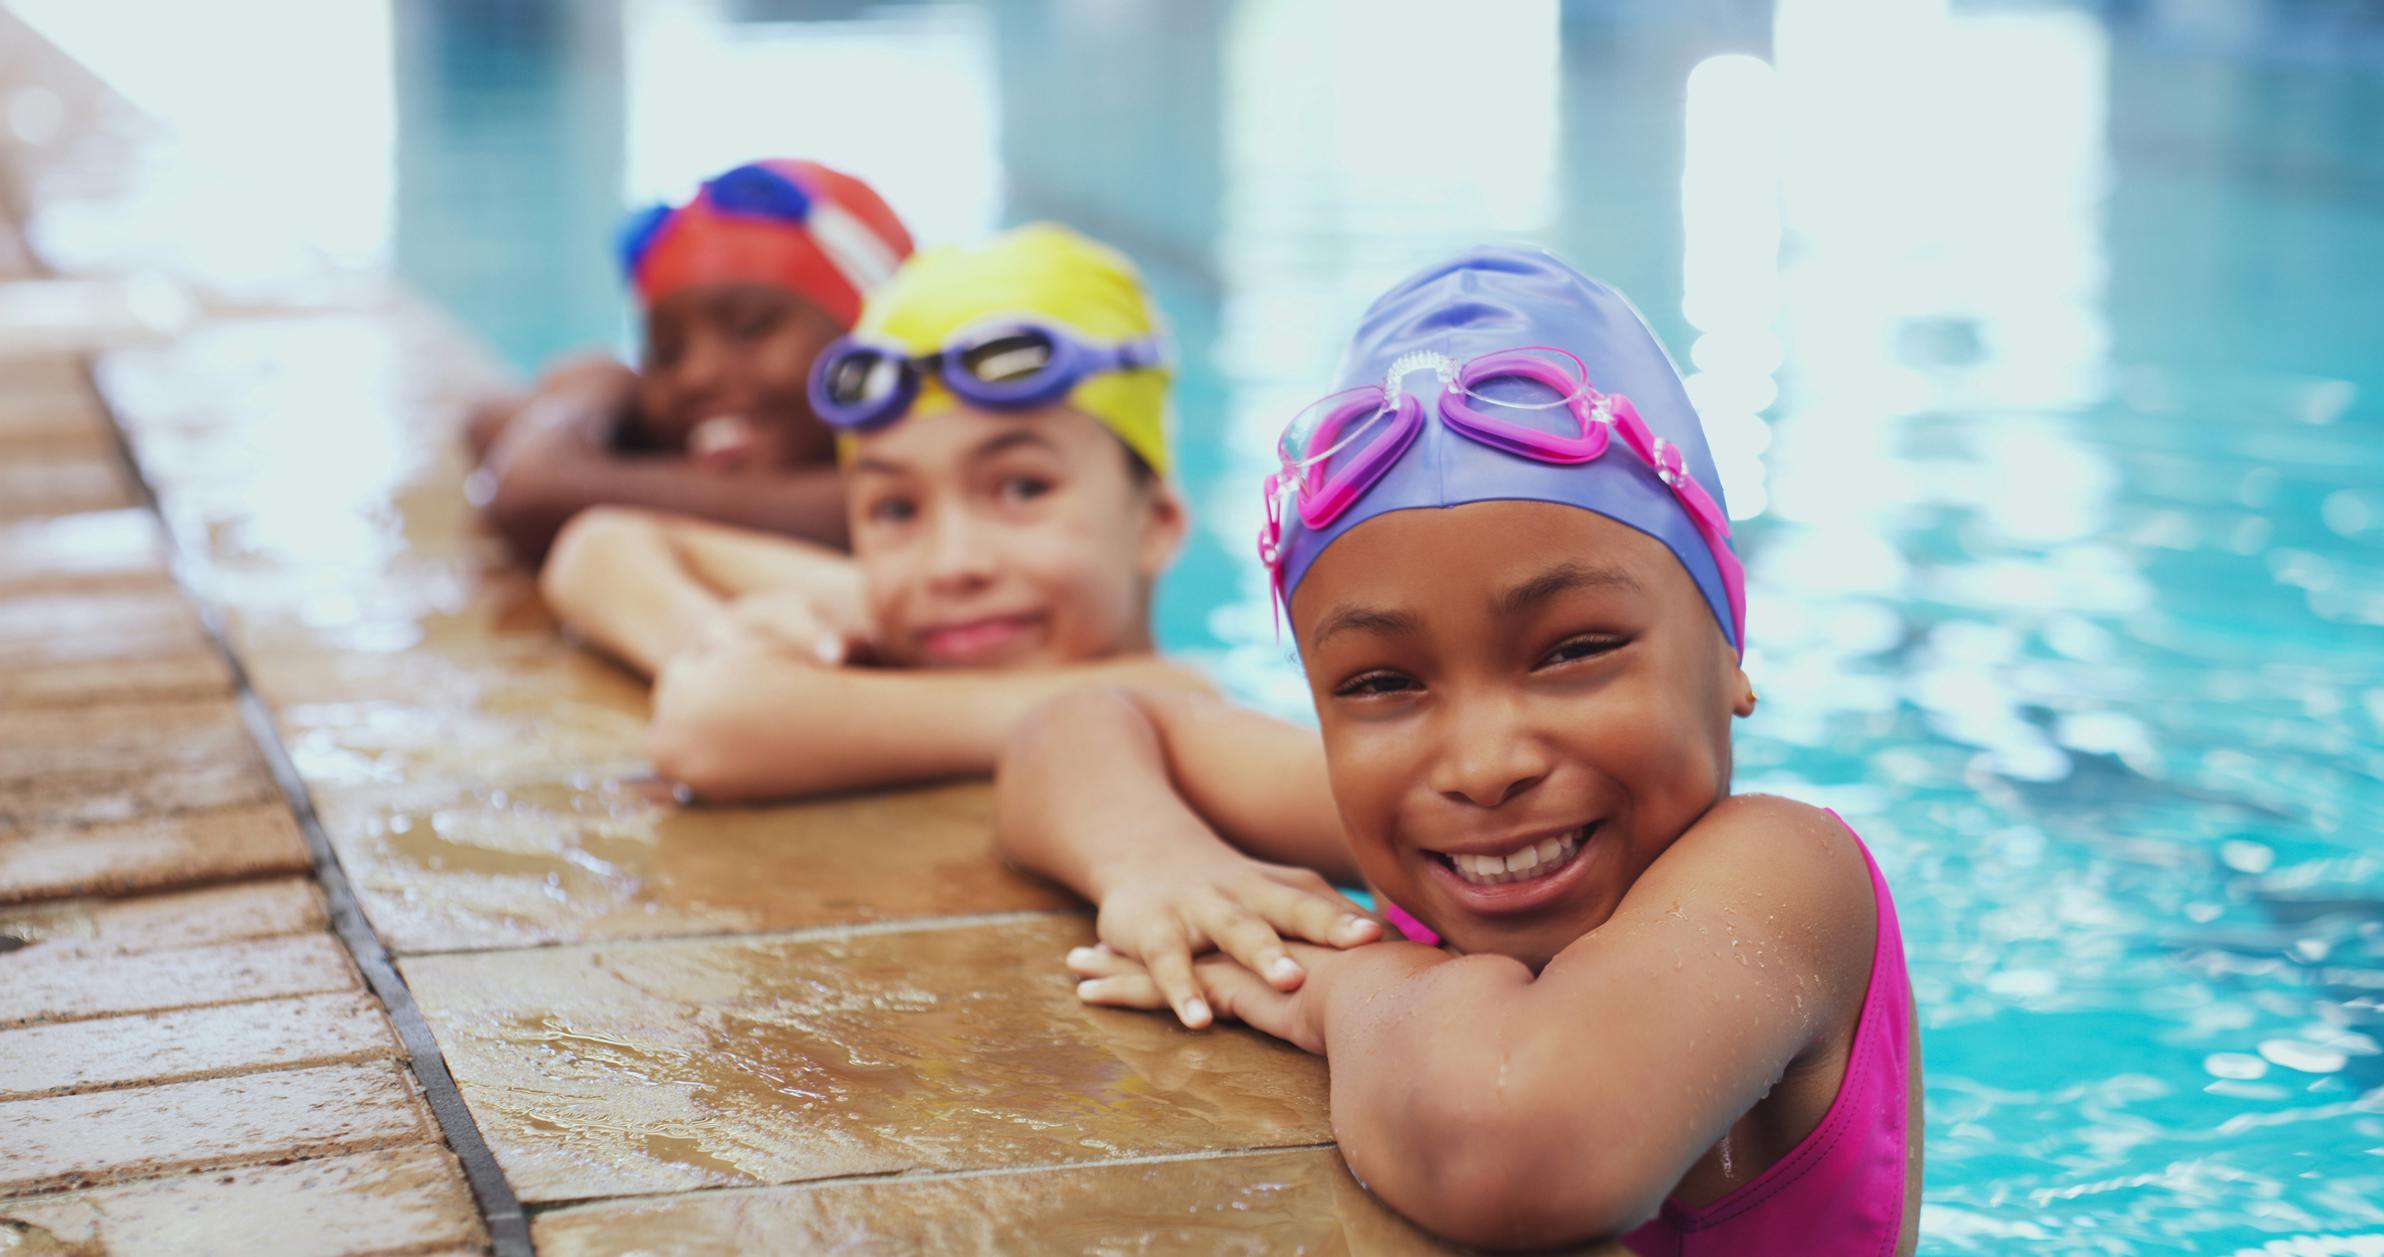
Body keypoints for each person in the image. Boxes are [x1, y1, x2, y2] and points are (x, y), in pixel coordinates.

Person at [996, 248, 1920, 1253]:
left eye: (1574, 651)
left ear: (1728, 644)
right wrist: (1159, 866)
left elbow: (1516, 1150)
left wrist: (1331, 985)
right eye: (1381, 682)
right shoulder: (1417, 803)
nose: (1481, 767)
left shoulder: (1783, 878)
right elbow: (1078, 727)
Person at [542, 224, 1207, 801]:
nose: (953, 565)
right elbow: (599, 543)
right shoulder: (929, 622)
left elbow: (707, 724)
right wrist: (728, 633)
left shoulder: (1186, 711)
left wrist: (771, 688)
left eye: (1023, 490)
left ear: (1157, 523)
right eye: (895, 508)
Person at [467, 158, 912, 560]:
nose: (697, 376)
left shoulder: (912, 490)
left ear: (871, 331)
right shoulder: (695, 437)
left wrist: (597, 384)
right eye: (666, 354)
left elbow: (532, 485)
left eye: (750, 329)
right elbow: (487, 420)